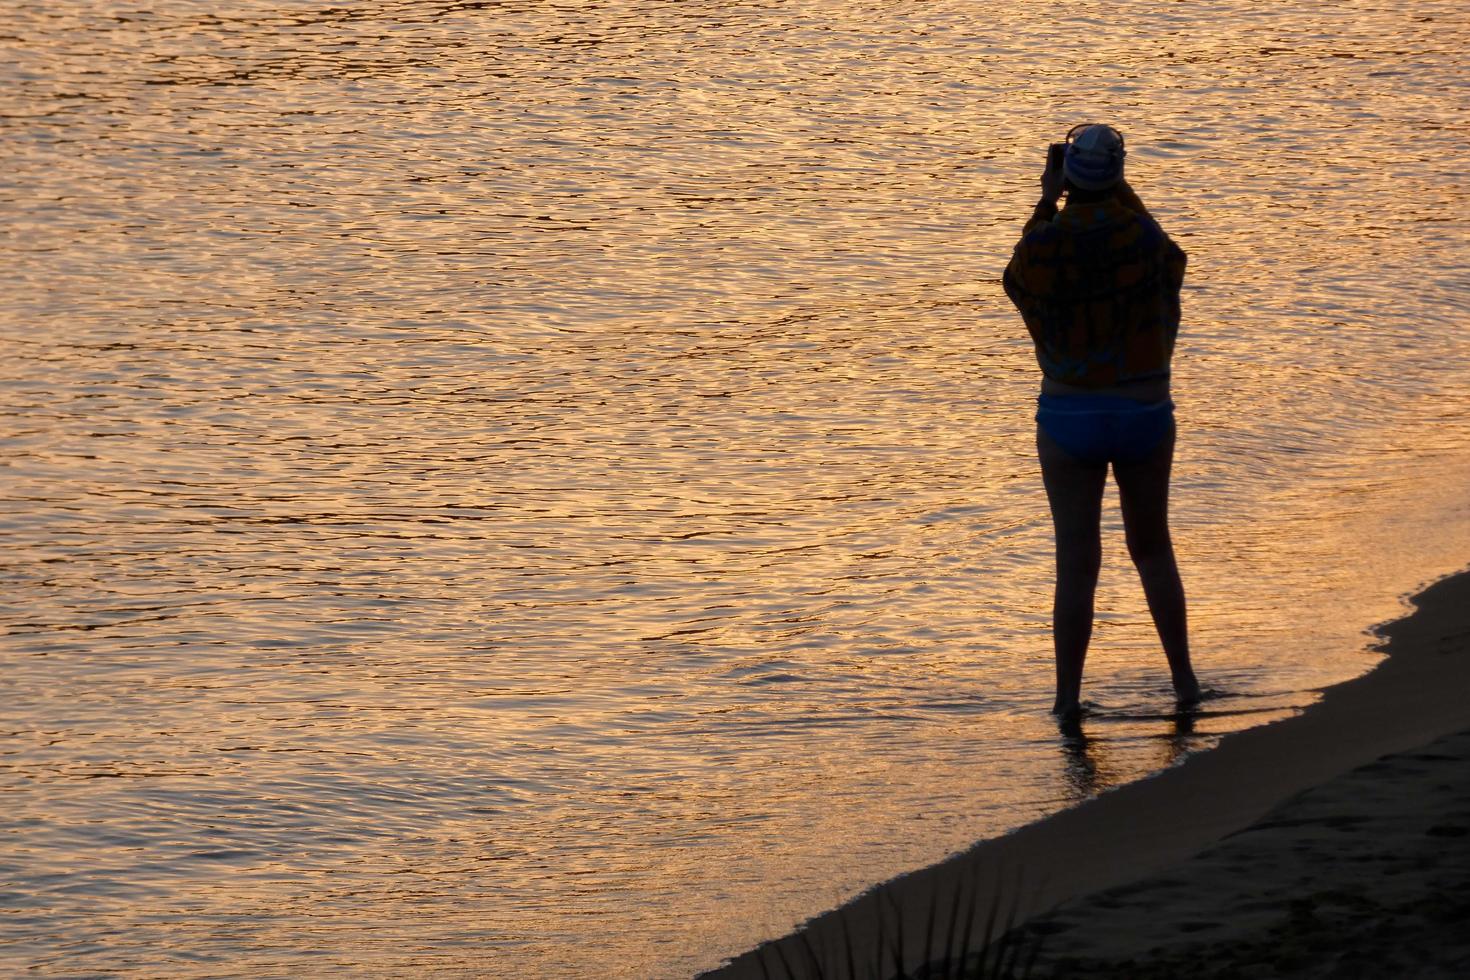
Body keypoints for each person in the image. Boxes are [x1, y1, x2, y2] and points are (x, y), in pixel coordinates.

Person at [1002, 124, 1200, 720]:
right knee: (1152, 547)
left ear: (1068, 178)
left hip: (1069, 416)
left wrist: (1045, 198)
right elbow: (1174, 264)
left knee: (1076, 562)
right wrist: (1121, 191)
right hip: (1143, 410)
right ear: (1117, 175)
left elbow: (1015, 282)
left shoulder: (1046, 245)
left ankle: (1067, 699)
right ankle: (1185, 682)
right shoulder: (1142, 236)